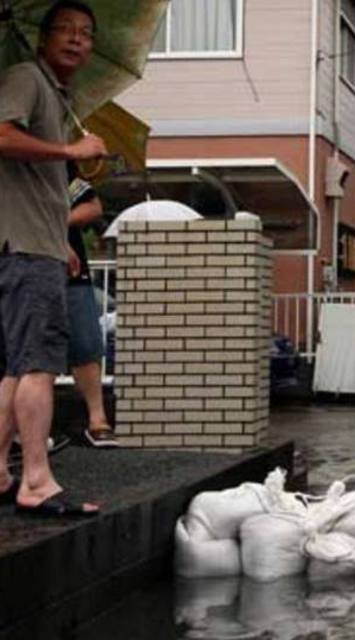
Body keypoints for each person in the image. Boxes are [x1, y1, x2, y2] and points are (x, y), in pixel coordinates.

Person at [0, 0, 107, 516]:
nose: (75, 38)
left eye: (85, 33)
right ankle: (36, 482)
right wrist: (72, 152)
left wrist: (58, 239)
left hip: (31, 244)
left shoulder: (54, 95)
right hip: (25, 249)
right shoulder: (26, 77)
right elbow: (1, 136)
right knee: (39, 366)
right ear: (41, 38)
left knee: (13, 368)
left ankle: (1, 472)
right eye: (63, 29)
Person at [66, 169, 118, 447]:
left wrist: (54, 224)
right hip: (20, 262)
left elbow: (92, 205)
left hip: (72, 275)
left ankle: (97, 419)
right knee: (26, 353)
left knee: (86, 341)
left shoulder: (62, 164)